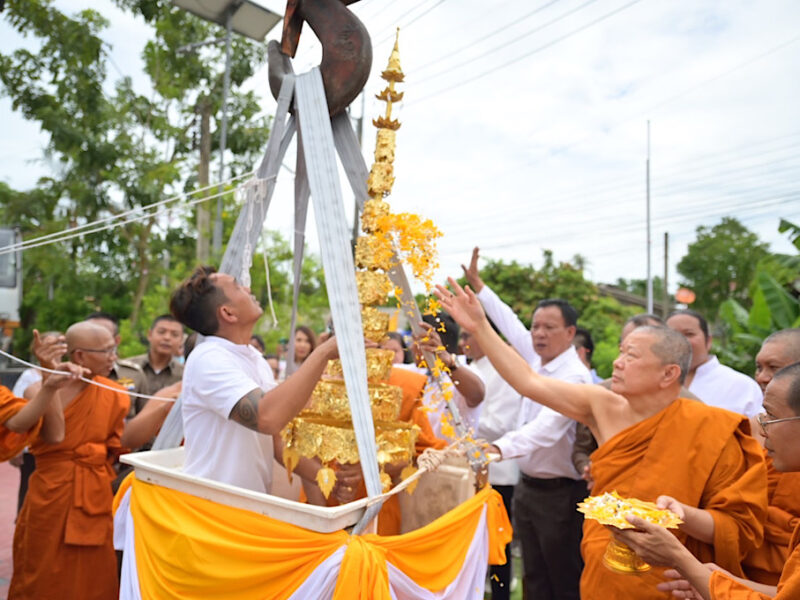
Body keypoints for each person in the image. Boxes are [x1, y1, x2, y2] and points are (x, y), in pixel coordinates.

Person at [436, 278, 768, 600]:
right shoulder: (603, 405)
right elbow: (528, 381)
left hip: (669, 577)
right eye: (621, 352)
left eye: (631, 357)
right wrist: (481, 326)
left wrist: (680, 515)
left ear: (668, 374)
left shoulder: (710, 425)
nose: (616, 362)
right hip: (606, 564)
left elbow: (734, 528)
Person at [462, 247, 592, 600]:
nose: (538, 333)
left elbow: (547, 429)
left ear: (570, 333)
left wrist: (497, 449)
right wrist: (480, 287)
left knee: (561, 577)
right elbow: (507, 323)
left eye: (549, 327)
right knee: (532, 573)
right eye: (536, 326)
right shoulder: (535, 357)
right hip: (528, 487)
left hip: (561, 494)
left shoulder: (575, 377)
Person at [611, 362, 800, 600]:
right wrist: (714, 580)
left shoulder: (718, 430)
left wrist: (679, 558)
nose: (762, 430)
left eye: (771, 417)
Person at [169, 266, 358, 502]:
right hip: (213, 506)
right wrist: (322, 353)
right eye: (238, 287)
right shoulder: (208, 358)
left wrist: (325, 476)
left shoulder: (253, 358)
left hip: (249, 505)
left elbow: (276, 441)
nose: (248, 288)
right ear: (228, 313)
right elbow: (266, 418)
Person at [10, 321, 129, 600]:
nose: (114, 357)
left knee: (95, 577)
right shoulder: (36, 388)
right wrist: (49, 374)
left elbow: (117, 444)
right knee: (42, 575)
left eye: (115, 349)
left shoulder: (114, 392)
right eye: (107, 351)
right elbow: (56, 434)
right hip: (52, 494)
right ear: (79, 356)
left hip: (95, 493)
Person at [462, 326, 523, 600]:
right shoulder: (470, 366)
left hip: (498, 470)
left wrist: (460, 427)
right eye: (462, 335)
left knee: (498, 543)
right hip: (465, 470)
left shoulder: (503, 370)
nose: (463, 341)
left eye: (469, 335)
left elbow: (501, 424)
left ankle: (500, 596)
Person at [742, 329, 800, 585]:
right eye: (758, 367)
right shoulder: (766, 428)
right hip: (750, 568)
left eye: (773, 367)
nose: (762, 377)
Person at [667, 309, 762, 416]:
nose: (680, 340)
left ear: (708, 341)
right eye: (672, 335)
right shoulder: (653, 382)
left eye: (689, 334)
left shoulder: (742, 386)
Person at [406, 312, 485, 440]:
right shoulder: (415, 371)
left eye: (415, 341)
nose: (411, 347)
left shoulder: (468, 372)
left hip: (454, 458)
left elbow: (477, 394)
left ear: (431, 343)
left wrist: (449, 363)